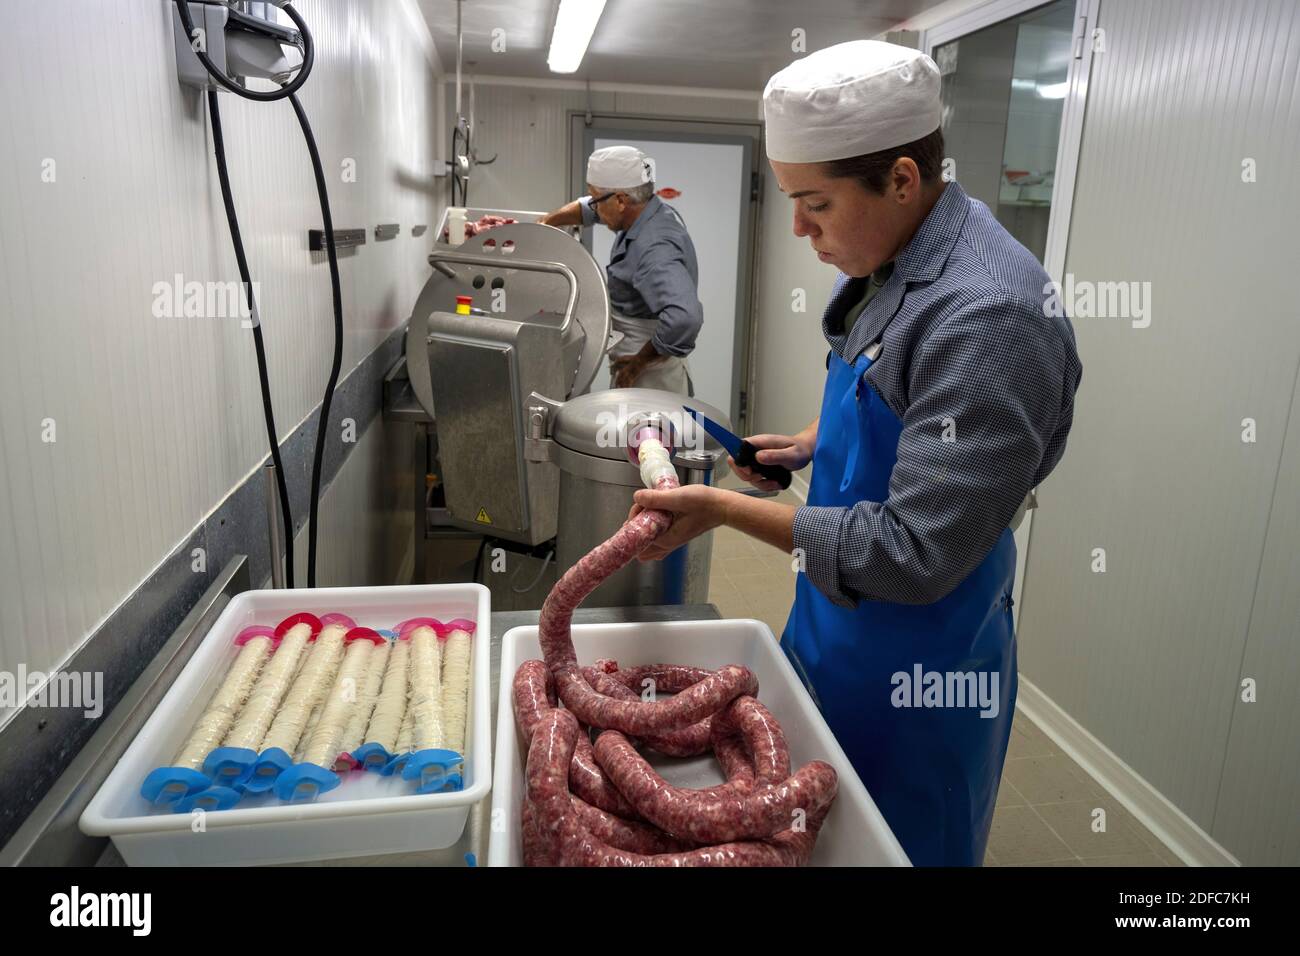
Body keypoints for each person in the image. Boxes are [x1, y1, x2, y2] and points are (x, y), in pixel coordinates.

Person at [628, 40, 1083, 866]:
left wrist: (726, 512)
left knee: (893, 847)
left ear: (903, 179)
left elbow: (914, 553)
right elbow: (899, 399)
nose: (799, 228)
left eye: (817, 204)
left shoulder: (989, 318)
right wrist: (809, 444)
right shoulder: (899, 254)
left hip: (919, 674)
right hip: (830, 633)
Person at [540, 145, 702, 394]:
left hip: (651, 378)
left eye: (596, 200)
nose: (593, 208)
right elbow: (587, 209)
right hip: (634, 363)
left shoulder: (654, 248)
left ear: (620, 201)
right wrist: (545, 223)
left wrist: (638, 364)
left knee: (646, 434)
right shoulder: (648, 209)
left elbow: (684, 320)